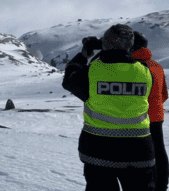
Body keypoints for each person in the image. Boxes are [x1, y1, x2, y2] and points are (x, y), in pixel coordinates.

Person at [62, 24, 155, 191]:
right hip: (140, 150)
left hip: (99, 150)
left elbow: (69, 79)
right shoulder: (145, 73)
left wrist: (85, 53)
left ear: (106, 43)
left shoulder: (93, 71)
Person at [131, 31, 169, 191]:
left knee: (139, 156)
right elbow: (164, 94)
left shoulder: (134, 67)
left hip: (140, 118)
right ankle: (162, 185)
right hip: (157, 116)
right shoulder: (157, 66)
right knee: (159, 151)